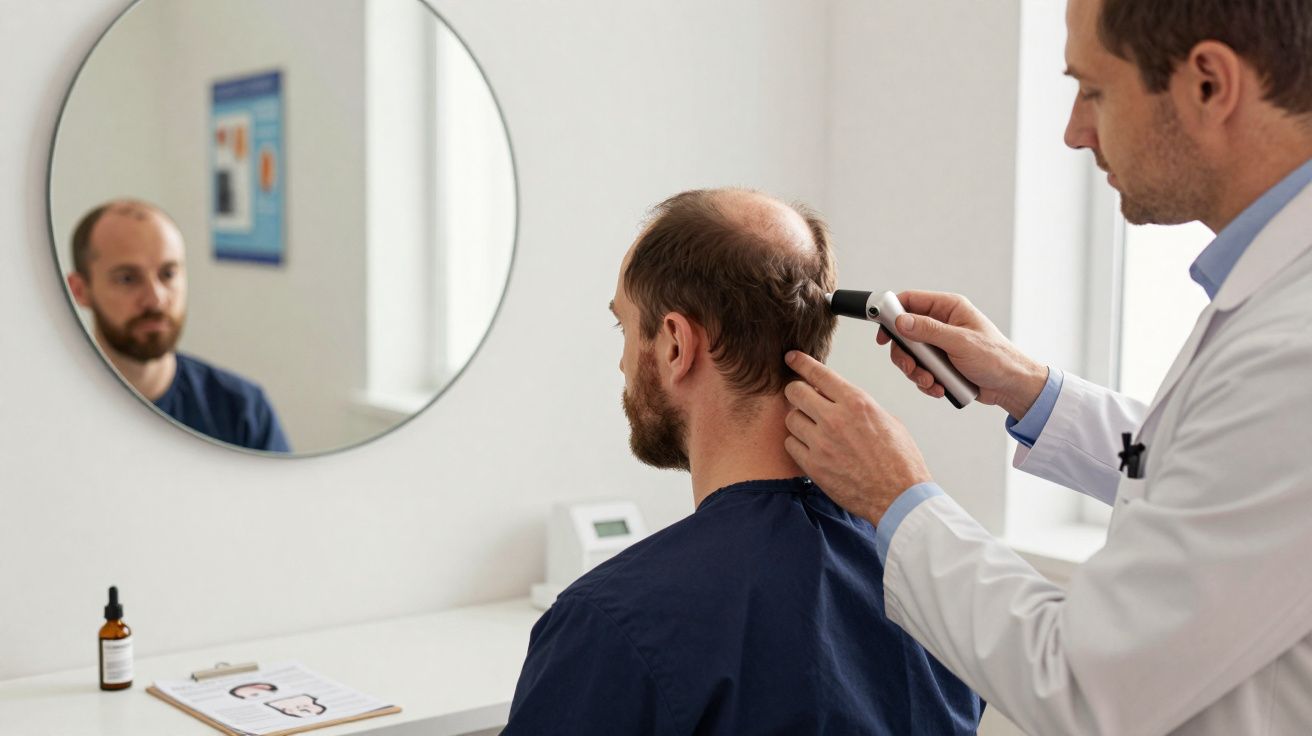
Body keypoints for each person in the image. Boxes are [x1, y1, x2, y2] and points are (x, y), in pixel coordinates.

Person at [782, 0, 1312, 733]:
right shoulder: (1275, 309)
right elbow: (1214, 466)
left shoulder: (1292, 352)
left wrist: (897, 495)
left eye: (1093, 90)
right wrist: (1035, 393)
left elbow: (1087, 683)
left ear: (1209, 85)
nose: (1073, 132)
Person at [503, 189, 981, 735]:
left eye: (626, 328)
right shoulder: (944, 588)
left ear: (677, 344)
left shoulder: (610, 624)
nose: (621, 360)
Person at [66, 200, 291, 453]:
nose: (155, 298)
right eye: (127, 278)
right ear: (80, 290)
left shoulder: (243, 410)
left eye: (168, 274)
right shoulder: (56, 414)